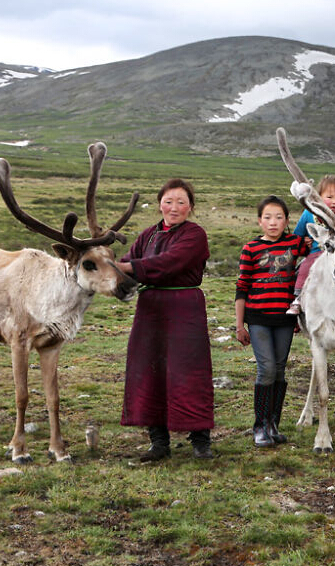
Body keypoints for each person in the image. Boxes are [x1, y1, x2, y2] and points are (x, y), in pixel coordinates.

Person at [116, 178, 214, 461]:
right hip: (150, 311)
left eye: (181, 202)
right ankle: (158, 441)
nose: (174, 208)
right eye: (169, 201)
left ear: (191, 207)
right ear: (160, 203)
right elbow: (127, 263)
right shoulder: (147, 235)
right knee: (150, 371)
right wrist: (112, 273)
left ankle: (200, 440)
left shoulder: (195, 234)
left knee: (190, 371)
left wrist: (129, 267)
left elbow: (171, 262)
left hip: (185, 308)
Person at [235, 195, 309, 447]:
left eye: (279, 217)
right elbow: (242, 287)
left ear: (287, 221)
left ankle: (272, 424)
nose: (273, 222)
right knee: (266, 369)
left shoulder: (296, 243)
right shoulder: (251, 248)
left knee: (278, 369)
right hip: (258, 318)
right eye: (267, 217)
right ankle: (259, 426)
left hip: (285, 319)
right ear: (259, 221)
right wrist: (239, 325)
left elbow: (319, 249)